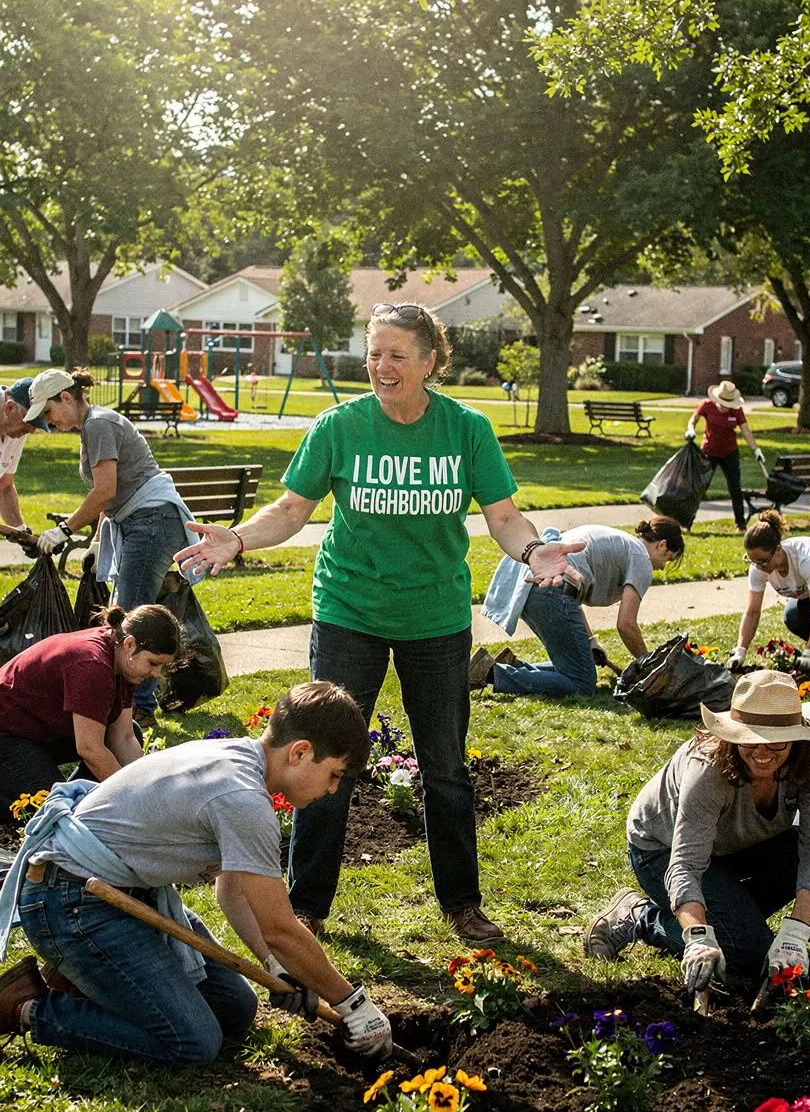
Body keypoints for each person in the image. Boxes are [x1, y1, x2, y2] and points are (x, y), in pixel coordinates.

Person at [174, 301, 584, 944]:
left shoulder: (466, 429)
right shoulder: (340, 427)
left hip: (435, 617)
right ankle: (307, 907)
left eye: (396, 355)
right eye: (374, 354)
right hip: (349, 612)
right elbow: (292, 509)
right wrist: (240, 537)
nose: (381, 366)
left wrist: (533, 550)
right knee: (323, 757)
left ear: (429, 360)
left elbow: (504, 517)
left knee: (445, 767)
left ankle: (462, 903)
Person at [0, 681, 392, 1066]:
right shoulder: (242, 798)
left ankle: (92, 979)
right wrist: (352, 1004)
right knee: (192, 1042)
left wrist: (276, 965)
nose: (333, 789)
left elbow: (233, 894)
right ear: (301, 752)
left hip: (118, 893)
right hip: (69, 901)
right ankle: (26, 1007)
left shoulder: (241, 763)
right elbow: (280, 929)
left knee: (235, 1007)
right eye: (335, 774)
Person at [583, 671, 810, 994]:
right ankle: (641, 917)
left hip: (734, 846)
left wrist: (796, 932)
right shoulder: (708, 768)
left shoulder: (807, 767)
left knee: (759, 908)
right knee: (745, 953)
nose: (762, 752)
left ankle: (732, 920)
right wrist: (698, 937)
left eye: (776, 741)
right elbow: (685, 864)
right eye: (749, 739)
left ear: (795, 738)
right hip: (661, 849)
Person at [25, 368, 198, 726]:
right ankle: (130, 706)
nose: (48, 422)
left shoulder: (98, 425)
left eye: (49, 412)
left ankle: (139, 711)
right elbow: (109, 494)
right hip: (143, 520)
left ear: (67, 397)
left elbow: (105, 490)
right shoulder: (93, 425)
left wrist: (65, 530)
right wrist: (97, 540)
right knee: (131, 613)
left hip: (151, 522)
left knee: (133, 621)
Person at [0, 604, 181, 822]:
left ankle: (86, 801)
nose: (156, 673)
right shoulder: (93, 664)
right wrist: (133, 799)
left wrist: (147, 791)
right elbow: (89, 748)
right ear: (130, 644)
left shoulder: (123, 661)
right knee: (58, 810)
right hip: (7, 735)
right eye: (153, 663)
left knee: (132, 732)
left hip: (36, 732)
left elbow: (123, 738)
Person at [472, 518, 685, 697]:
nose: (662, 567)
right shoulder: (641, 559)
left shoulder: (623, 541)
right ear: (662, 545)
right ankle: (491, 672)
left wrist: (591, 641)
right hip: (549, 590)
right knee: (582, 683)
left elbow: (571, 598)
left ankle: (515, 666)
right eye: (668, 559)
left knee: (577, 667)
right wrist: (651, 668)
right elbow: (626, 625)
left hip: (532, 588)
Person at [727, 509, 810, 677]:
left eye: (762, 561)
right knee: (793, 615)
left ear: (778, 549)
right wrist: (740, 650)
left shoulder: (807, 559)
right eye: (753, 561)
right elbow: (753, 611)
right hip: (807, 598)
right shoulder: (758, 566)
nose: (759, 567)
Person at [684, 378, 765, 532]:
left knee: (735, 488)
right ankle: (687, 523)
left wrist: (756, 449)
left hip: (730, 453)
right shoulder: (707, 405)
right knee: (700, 488)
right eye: (723, 404)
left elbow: (745, 431)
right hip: (709, 452)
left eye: (728, 404)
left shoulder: (736, 411)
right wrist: (690, 429)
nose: (725, 407)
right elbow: (693, 420)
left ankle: (741, 525)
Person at [0, 378, 47, 530]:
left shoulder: (16, 428)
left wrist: (20, 531)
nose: (32, 430)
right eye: (29, 422)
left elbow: (4, 486)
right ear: (9, 407)